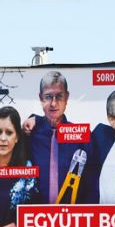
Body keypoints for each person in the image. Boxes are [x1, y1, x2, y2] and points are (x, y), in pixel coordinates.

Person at [22, 71, 91, 204]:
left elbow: (91, 181)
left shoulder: (81, 136)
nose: (53, 104)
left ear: (67, 97)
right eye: (48, 97)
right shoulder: (28, 134)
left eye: (59, 96)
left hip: (71, 217)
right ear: (41, 98)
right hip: (34, 217)